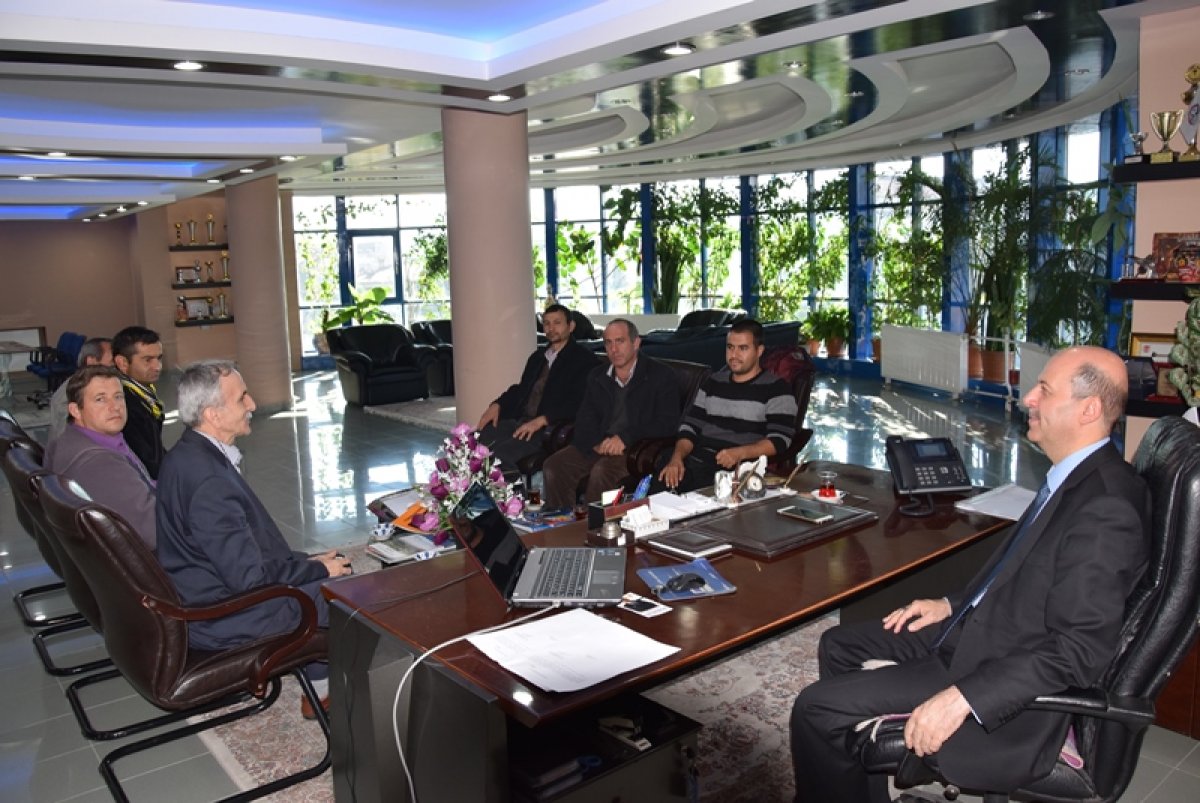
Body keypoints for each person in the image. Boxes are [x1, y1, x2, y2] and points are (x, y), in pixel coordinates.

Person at [789, 346, 1151, 802]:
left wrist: (963, 697)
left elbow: (1079, 650)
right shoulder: (1076, 478)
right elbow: (1021, 576)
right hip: (983, 630)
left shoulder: (1106, 508)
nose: (1028, 399)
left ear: (1089, 409)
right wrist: (950, 605)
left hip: (992, 666)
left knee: (814, 710)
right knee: (838, 644)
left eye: (1044, 389)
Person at [155, 360, 352, 718]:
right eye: (242, 398)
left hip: (207, 589)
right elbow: (249, 580)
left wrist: (306, 562)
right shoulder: (209, 482)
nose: (253, 404)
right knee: (340, 592)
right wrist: (316, 571)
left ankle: (318, 678)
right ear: (213, 414)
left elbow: (241, 549)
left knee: (323, 568)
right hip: (224, 616)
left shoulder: (185, 454)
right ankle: (324, 691)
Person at [541, 319, 679, 507]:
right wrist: (596, 443)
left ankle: (594, 524)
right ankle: (563, 521)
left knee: (602, 471)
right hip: (600, 443)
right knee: (554, 466)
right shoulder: (597, 376)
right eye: (608, 343)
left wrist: (625, 438)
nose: (614, 349)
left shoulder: (661, 376)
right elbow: (585, 418)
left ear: (636, 343)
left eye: (620, 341)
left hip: (635, 448)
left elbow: (667, 422)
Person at [658, 319, 797, 492]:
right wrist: (677, 458)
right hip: (697, 459)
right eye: (730, 347)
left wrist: (740, 453)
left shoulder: (776, 388)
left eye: (743, 348)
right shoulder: (713, 382)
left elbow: (780, 440)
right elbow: (690, 427)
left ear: (759, 351)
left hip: (736, 468)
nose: (734, 355)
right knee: (660, 480)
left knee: (684, 495)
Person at [476, 304, 599, 470]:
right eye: (547, 323)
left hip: (548, 428)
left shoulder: (584, 360)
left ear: (571, 326)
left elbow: (579, 401)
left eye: (557, 323)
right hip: (520, 420)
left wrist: (543, 419)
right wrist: (497, 404)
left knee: (498, 457)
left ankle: (511, 488)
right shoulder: (537, 357)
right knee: (472, 444)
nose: (551, 328)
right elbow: (521, 390)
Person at [45, 365, 156, 547]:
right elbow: (153, 530)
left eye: (118, 397)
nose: (115, 407)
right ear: (75, 410)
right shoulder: (99, 464)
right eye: (100, 399)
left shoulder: (74, 437)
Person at [112, 326, 166, 479]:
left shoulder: (141, 391)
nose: (157, 367)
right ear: (123, 363)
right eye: (147, 360)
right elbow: (146, 463)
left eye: (159, 358)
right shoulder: (125, 405)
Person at [48, 337, 113, 441]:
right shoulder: (79, 389)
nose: (118, 366)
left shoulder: (86, 382)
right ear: (91, 361)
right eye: (112, 362)